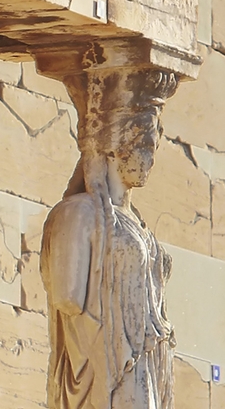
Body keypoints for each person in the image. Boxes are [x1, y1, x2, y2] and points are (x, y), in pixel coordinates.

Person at [43, 65, 178, 409]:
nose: (150, 155)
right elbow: (67, 299)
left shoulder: (139, 225)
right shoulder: (79, 214)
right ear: (114, 146)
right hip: (109, 363)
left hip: (144, 361)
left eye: (153, 143)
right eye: (142, 142)